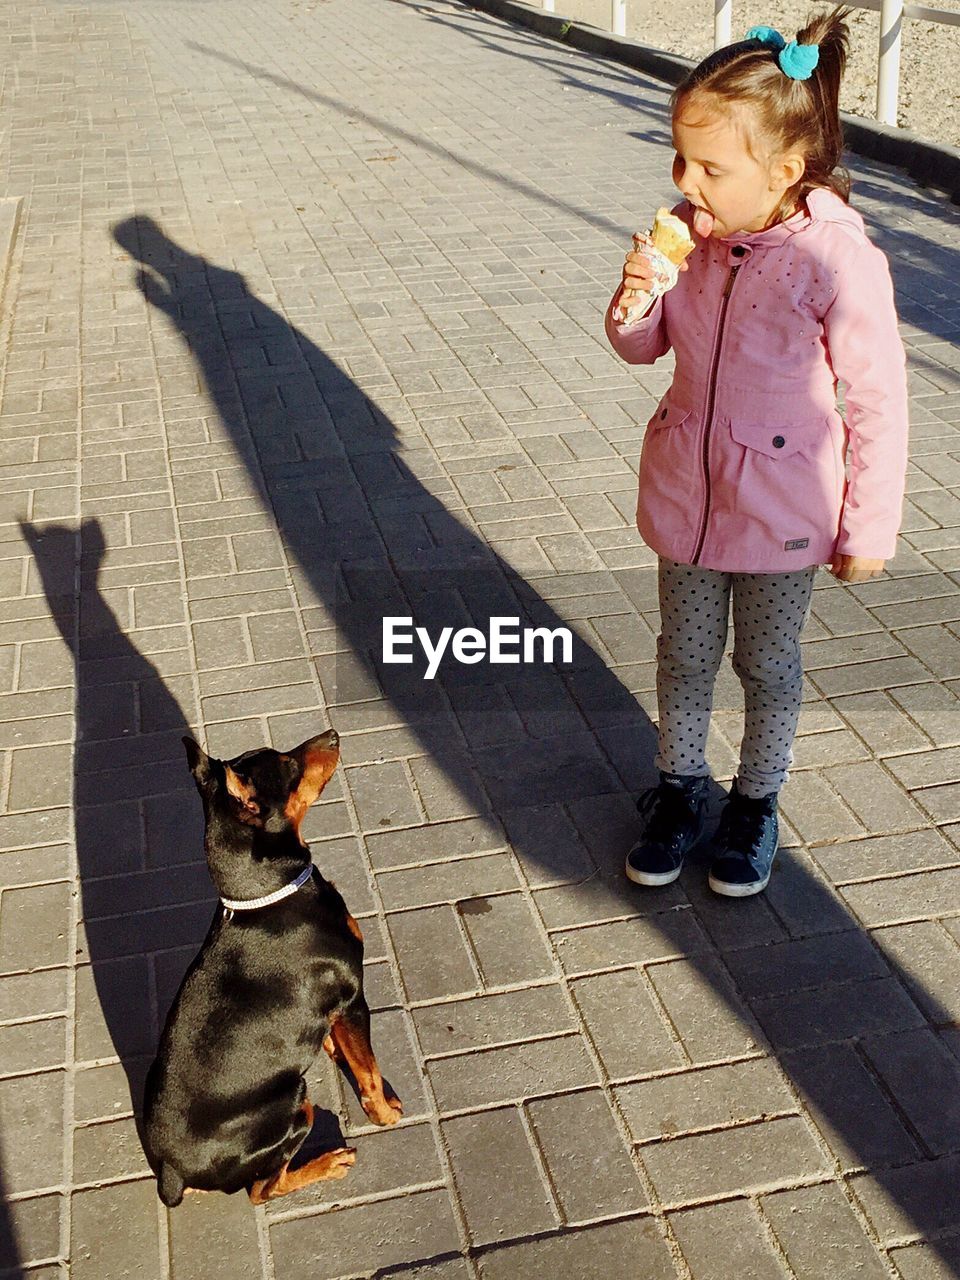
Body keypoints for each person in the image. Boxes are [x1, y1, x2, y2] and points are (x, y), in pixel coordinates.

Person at [605, 8, 908, 897]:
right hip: (688, 496)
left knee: (767, 663)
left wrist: (870, 525)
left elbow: (879, 397)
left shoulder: (837, 262)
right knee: (683, 653)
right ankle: (679, 789)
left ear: (784, 170)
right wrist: (635, 298)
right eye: (679, 159)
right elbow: (642, 347)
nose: (683, 182)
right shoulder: (689, 239)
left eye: (709, 167)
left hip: (783, 511)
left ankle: (755, 801)